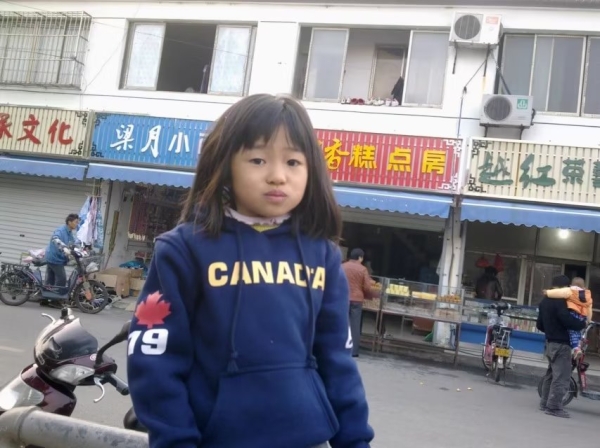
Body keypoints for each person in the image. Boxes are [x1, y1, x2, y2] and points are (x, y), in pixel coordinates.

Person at [127, 94, 374, 448]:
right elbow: (154, 360)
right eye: (258, 159)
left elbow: (338, 361)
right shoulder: (183, 251)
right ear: (225, 164)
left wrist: (356, 442)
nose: (277, 176)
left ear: (311, 170)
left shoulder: (323, 256)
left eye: (293, 161)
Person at [537, 275, 587, 418]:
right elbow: (567, 320)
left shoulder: (544, 301)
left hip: (549, 343)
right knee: (561, 377)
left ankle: (544, 403)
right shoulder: (560, 302)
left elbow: (539, 325)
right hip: (561, 344)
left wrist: (551, 331)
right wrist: (582, 324)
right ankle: (553, 407)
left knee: (551, 375)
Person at [544, 277, 593, 359]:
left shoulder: (570, 291)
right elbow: (589, 309)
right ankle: (578, 347)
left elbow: (559, 292)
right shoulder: (588, 295)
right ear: (584, 287)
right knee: (578, 332)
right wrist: (588, 320)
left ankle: (576, 349)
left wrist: (548, 292)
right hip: (582, 316)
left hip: (573, 312)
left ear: (571, 285)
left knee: (572, 331)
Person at [342, 248, 378, 358]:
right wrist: (372, 295)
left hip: (343, 298)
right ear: (360, 258)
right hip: (356, 300)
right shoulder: (362, 269)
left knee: (342, 323)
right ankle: (353, 351)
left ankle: (340, 348)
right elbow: (367, 287)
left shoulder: (342, 266)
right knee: (355, 325)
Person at [45, 213, 79, 287]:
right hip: (55, 258)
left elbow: (72, 244)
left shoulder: (69, 232)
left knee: (50, 280)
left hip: (57, 257)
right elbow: (55, 238)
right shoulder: (61, 230)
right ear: (69, 222)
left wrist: (80, 249)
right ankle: (58, 293)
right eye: (76, 222)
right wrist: (63, 246)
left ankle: (48, 292)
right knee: (62, 279)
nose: (77, 224)